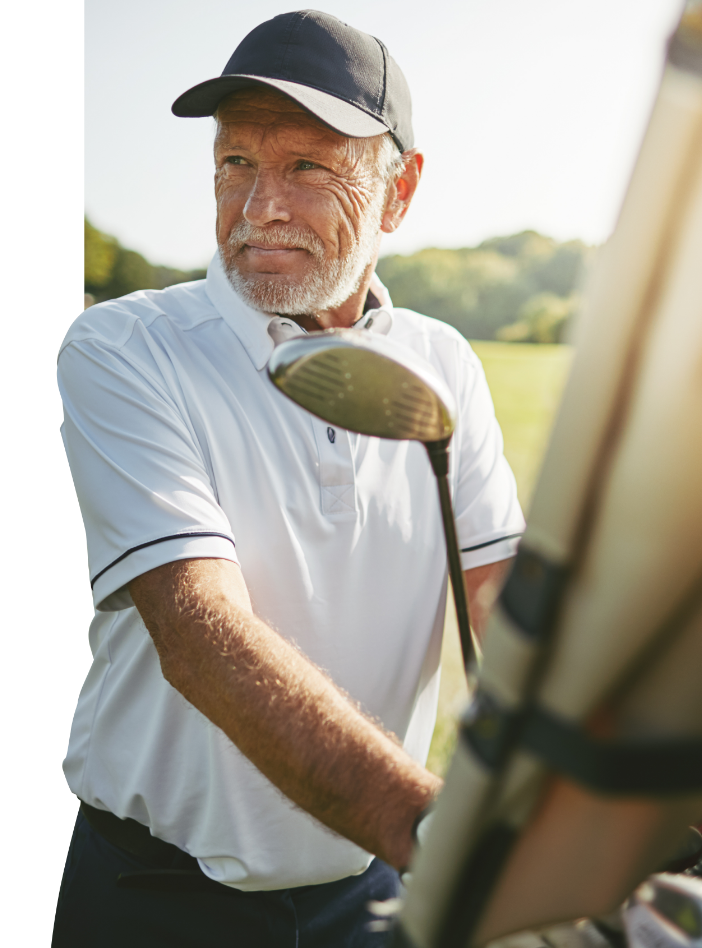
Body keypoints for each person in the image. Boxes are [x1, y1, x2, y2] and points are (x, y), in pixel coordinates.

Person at [53, 11, 525, 946]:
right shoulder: (122, 346)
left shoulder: (444, 361)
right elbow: (202, 635)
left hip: (374, 885)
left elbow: (500, 596)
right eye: (236, 163)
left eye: (308, 166)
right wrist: (430, 826)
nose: (259, 204)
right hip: (155, 899)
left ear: (399, 191)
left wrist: (681, 761)